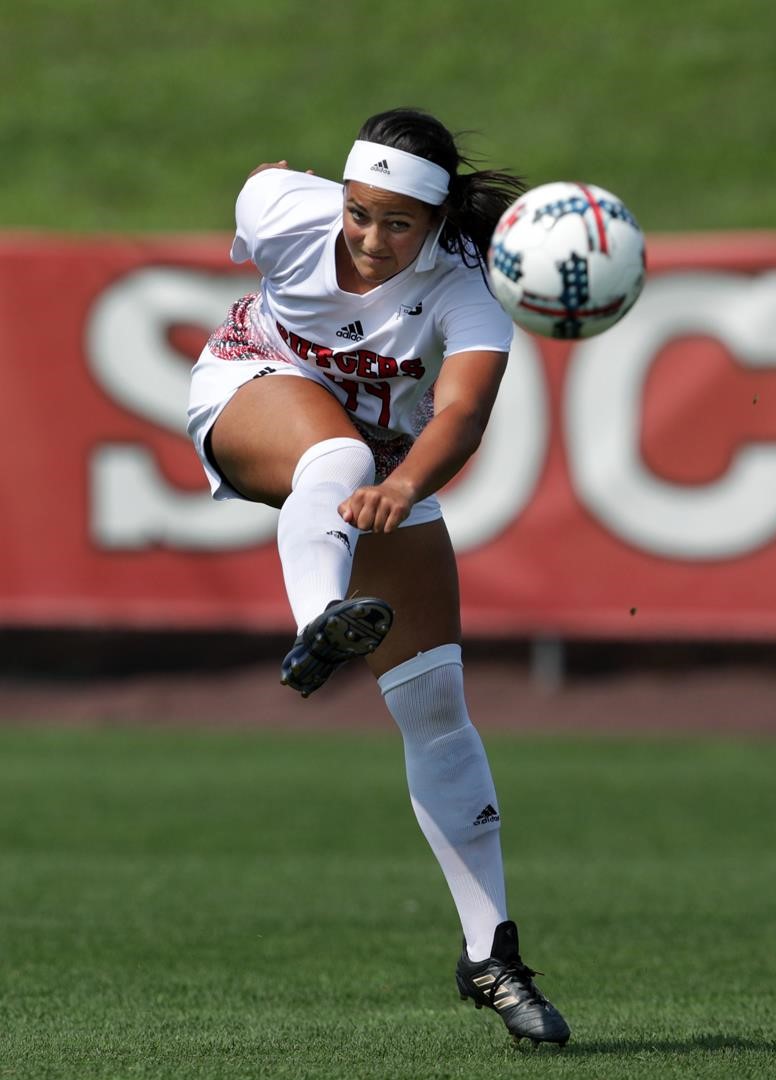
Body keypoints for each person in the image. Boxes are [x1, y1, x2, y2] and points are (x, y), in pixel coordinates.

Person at [185, 107, 568, 1047]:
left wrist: (408, 482)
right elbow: (265, 175)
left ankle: (492, 957)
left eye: (398, 223)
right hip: (248, 388)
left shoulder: (468, 291)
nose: (369, 237)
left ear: (436, 224)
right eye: (359, 212)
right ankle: (321, 620)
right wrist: (384, 479)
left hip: (387, 461)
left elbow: (464, 415)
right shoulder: (287, 211)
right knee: (337, 463)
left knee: (438, 709)